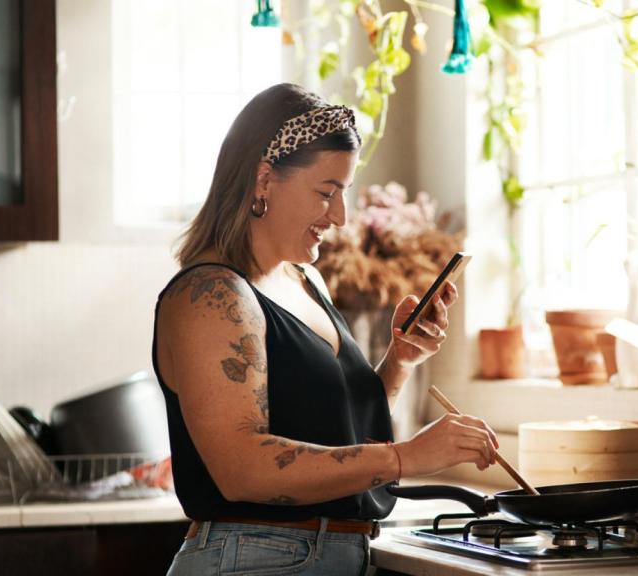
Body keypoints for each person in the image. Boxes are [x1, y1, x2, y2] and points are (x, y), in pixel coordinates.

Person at [152, 83, 499, 576]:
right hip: (252, 560)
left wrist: (398, 363)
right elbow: (242, 470)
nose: (339, 216)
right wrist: (405, 457)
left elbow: (334, 433)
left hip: (329, 556)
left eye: (345, 193)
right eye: (326, 192)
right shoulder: (211, 295)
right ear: (264, 179)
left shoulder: (306, 280)